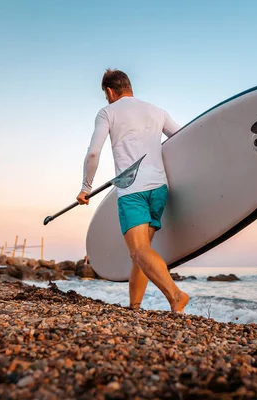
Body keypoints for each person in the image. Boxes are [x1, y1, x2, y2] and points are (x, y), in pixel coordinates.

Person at [76, 69, 190, 313]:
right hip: (160, 187)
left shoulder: (107, 112)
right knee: (141, 252)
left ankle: (176, 296)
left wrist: (86, 187)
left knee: (138, 251)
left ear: (109, 91)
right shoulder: (156, 110)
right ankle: (135, 306)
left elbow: (93, 152)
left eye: (105, 95)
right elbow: (183, 138)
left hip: (132, 190)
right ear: (129, 86)